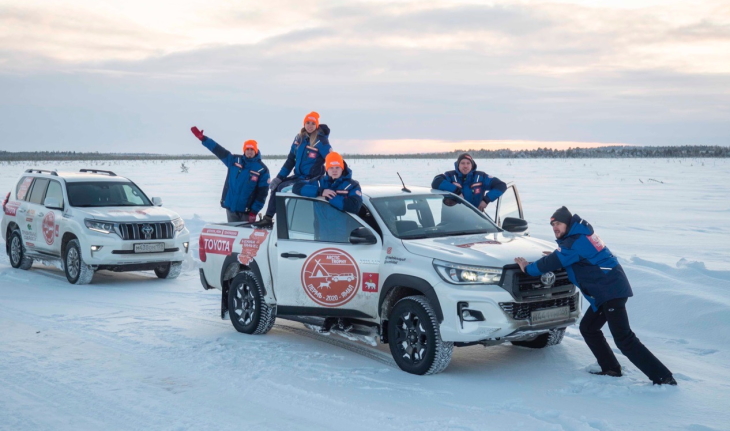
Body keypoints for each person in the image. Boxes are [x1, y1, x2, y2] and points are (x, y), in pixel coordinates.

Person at [514, 207, 677, 386]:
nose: (555, 228)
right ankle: (611, 368)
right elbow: (569, 256)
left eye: (558, 223)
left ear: (568, 224)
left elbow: (554, 261)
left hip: (610, 291)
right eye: (552, 225)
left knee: (624, 339)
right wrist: (560, 255)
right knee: (589, 328)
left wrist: (527, 267)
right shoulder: (577, 237)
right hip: (605, 290)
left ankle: (663, 378)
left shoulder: (575, 242)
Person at [255, 111, 332, 227]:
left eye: (312, 123)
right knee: (277, 186)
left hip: (312, 178)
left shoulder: (321, 141)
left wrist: (332, 178)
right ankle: (268, 218)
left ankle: (283, 225)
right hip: (299, 176)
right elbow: (291, 160)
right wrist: (279, 177)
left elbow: (331, 160)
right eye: (307, 123)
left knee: (282, 189)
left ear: (316, 125)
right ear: (304, 124)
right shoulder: (299, 139)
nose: (310, 126)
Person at [191, 126, 269, 223]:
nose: (249, 151)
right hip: (231, 209)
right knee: (232, 236)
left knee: (246, 237)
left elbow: (262, 194)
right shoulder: (234, 161)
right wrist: (203, 139)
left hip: (247, 213)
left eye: (252, 149)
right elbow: (218, 150)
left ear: (256, 151)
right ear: (244, 150)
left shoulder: (262, 169)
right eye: (247, 149)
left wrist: (254, 211)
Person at [292, 152, 362, 242]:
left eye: (337, 167)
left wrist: (331, 197)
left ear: (342, 168)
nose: (334, 170)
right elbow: (297, 187)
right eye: (331, 168)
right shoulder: (318, 182)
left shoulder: (352, 185)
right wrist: (320, 192)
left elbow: (355, 206)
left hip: (344, 237)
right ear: (326, 169)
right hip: (321, 236)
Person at [431, 153, 506, 212]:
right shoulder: (450, 176)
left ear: (472, 165)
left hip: (474, 219)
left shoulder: (481, 177)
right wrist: (456, 191)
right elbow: (436, 182)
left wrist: (486, 200)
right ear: (458, 165)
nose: (465, 166)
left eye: (468, 163)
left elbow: (501, 185)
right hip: (451, 220)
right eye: (462, 163)